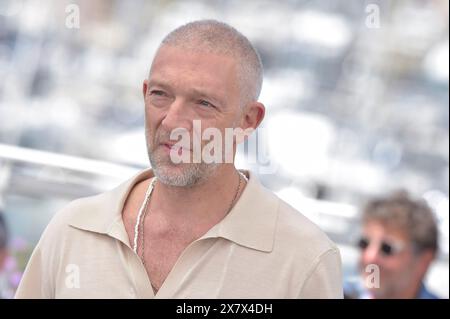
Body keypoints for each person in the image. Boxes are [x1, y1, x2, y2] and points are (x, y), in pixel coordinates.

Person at [15, 20, 342, 298]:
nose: (172, 121)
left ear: (248, 121)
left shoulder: (304, 259)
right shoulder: (73, 229)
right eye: (160, 94)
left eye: (203, 103)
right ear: (144, 94)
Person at [345, 191, 440, 299]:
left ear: (424, 261)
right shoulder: (334, 293)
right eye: (364, 244)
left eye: (387, 248)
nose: (370, 257)